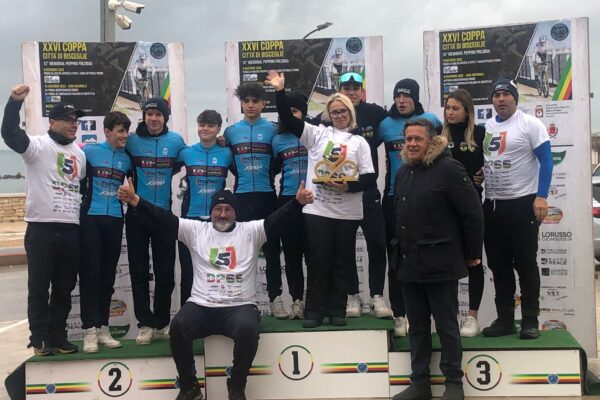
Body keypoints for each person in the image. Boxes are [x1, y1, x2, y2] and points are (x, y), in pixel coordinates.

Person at [118, 181, 314, 400]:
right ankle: (190, 387)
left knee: (249, 329)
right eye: (218, 209)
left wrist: (297, 202)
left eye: (228, 209)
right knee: (179, 326)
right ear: (211, 212)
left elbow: (278, 220)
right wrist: (135, 201)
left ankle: (237, 386)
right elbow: (162, 219)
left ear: (235, 213)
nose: (222, 214)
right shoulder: (196, 230)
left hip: (239, 307)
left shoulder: (251, 231)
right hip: (202, 305)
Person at [265, 70, 375, 328]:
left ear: (350, 113)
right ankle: (314, 311)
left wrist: (348, 186)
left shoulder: (359, 142)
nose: (339, 115)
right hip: (318, 209)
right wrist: (280, 91)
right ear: (328, 114)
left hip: (347, 212)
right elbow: (289, 120)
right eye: (334, 112)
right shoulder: (317, 134)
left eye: (343, 111)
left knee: (342, 261)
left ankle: (337, 310)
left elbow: (370, 178)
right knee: (318, 260)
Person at [391, 118, 483, 400]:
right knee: (417, 327)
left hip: (441, 263)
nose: (412, 144)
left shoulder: (449, 168)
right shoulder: (403, 172)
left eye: (418, 139)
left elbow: (472, 214)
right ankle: (420, 384)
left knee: (446, 326)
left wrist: (472, 254)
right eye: (408, 139)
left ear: (431, 142)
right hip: (409, 263)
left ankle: (454, 384)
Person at [1, 85, 86, 355]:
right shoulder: (37, 146)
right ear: (53, 122)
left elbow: (80, 188)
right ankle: (39, 338)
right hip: (41, 227)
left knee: (64, 287)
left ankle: (58, 336)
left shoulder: (80, 154)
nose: (73, 124)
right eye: (68, 120)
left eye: (76, 121)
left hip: (70, 229)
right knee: (38, 287)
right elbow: (10, 134)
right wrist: (14, 102)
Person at [316, 71, 392, 320]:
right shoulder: (329, 117)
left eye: (355, 88)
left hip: (368, 190)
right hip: (342, 194)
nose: (351, 92)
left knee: (377, 243)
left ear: (362, 91)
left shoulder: (375, 113)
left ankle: (377, 295)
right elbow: (301, 124)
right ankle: (352, 295)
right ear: (340, 91)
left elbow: (400, 117)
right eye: (346, 88)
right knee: (345, 248)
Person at [481, 79, 552, 340]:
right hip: (493, 205)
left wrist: (541, 196)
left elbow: (546, 161)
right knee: (499, 266)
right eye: (496, 95)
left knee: (525, 264)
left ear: (515, 98)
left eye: (506, 94)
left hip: (523, 203)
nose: (500, 99)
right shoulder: (486, 127)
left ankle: (530, 321)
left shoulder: (530, 124)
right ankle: (505, 320)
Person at [379, 78, 442, 337]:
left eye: (406, 96)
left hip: (424, 197)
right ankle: (399, 315)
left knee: (426, 255)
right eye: (397, 96)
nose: (401, 100)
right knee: (395, 259)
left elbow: (445, 152)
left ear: (415, 98)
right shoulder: (385, 124)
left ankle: (431, 318)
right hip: (393, 197)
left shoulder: (432, 120)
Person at [125, 97, 186, 345]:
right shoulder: (132, 141)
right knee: (139, 272)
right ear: (144, 117)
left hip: (163, 215)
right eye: (149, 114)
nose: (153, 118)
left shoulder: (176, 141)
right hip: (137, 214)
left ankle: (161, 322)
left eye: (158, 114)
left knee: (165, 273)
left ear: (165, 117)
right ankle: (145, 323)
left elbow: (189, 159)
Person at [224, 83, 287, 319]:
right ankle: (242, 299)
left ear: (263, 104)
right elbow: (229, 162)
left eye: (255, 101)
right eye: (246, 101)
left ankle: (275, 299)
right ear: (241, 103)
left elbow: (278, 161)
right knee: (241, 253)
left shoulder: (273, 130)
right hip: (241, 197)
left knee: (271, 250)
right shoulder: (231, 132)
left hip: (267, 196)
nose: (250, 105)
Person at [79, 111, 133, 353]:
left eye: (126, 131)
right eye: (120, 131)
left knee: (107, 278)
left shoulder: (126, 159)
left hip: (115, 220)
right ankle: (89, 330)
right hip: (91, 218)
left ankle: (102, 327)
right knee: (90, 276)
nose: (125, 135)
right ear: (107, 131)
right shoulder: (89, 152)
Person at [441, 89, 485, 337]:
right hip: (444, 209)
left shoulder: (480, 134)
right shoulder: (439, 136)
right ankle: (449, 317)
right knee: (447, 264)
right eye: (447, 108)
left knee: (474, 261)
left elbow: (496, 161)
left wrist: (485, 173)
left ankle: (472, 317)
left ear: (467, 111)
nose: (450, 112)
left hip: (471, 207)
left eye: (455, 108)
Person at [177, 110, 232, 306]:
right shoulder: (186, 152)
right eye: (202, 125)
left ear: (218, 129)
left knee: (217, 269)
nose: (205, 129)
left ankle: (218, 310)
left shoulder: (227, 153)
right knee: (188, 271)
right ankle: (186, 313)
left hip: (217, 221)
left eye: (210, 125)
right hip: (190, 219)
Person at [271, 92, 310, 319]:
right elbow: (272, 168)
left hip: (313, 200)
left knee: (314, 255)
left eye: (296, 111)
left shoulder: (313, 134)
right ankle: (297, 301)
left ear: (303, 114)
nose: (291, 115)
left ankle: (314, 301)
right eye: (288, 111)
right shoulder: (277, 140)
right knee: (292, 256)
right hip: (288, 201)